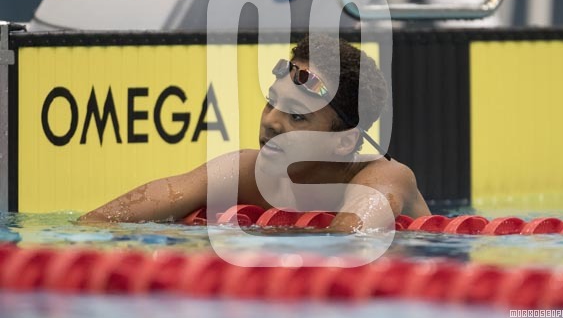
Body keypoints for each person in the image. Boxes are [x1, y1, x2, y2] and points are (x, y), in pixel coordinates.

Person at [79, 35, 430, 231]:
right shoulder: (245, 173)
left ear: (344, 141)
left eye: (297, 116)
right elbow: (97, 222)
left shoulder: (386, 178)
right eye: (271, 103)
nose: (271, 122)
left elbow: (348, 247)